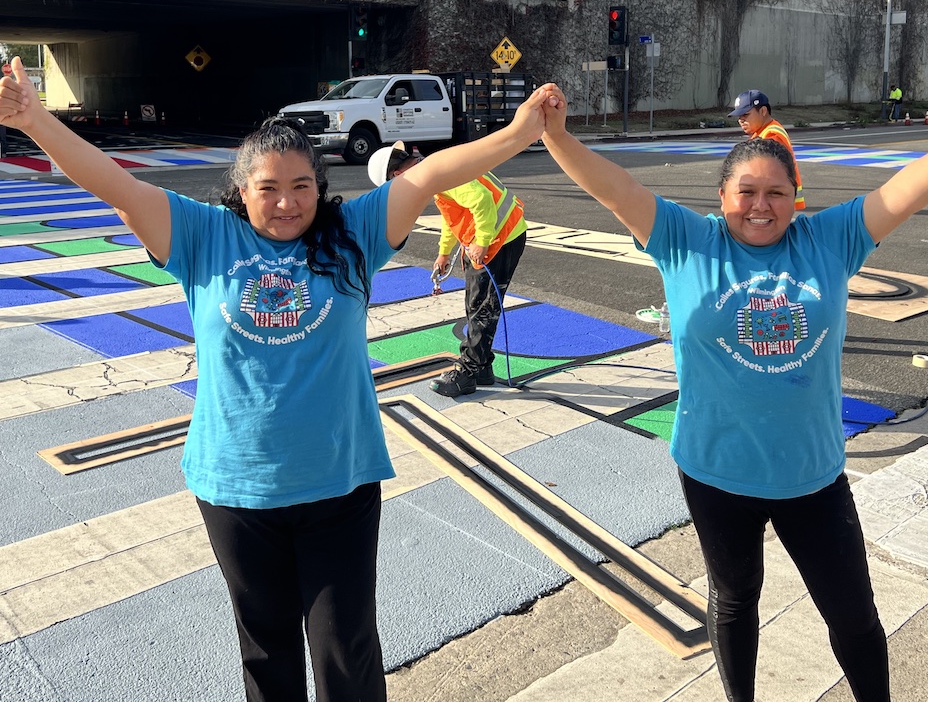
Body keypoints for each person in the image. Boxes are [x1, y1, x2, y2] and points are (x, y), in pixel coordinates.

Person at [0, 56, 555, 702]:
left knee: (346, 655)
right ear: (242, 190)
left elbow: (431, 172)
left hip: (339, 488)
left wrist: (519, 135)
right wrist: (34, 121)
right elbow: (115, 184)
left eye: (301, 185)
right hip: (237, 494)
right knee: (267, 659)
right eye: (268, 188)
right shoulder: (203, 236)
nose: (287, 202)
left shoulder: (353, 233)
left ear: (320, 187)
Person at [538, 78, 928, 702]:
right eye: (746, 193)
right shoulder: (688, 240)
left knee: (853, 616)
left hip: (811, 475)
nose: (762, 206)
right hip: (715, 469)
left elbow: (908, 188)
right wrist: (557, 137)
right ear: (721, 196)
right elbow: (614, 187)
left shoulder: (828, 240)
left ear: (796, 199)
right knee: (733, 603)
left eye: (776, 193)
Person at [367, 141, 527, 397]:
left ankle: (468, 372)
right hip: (498, 233)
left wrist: (482, 242)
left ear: (397, 176)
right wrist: (444, 251)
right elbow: (454, 215)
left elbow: (481, 200)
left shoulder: (440, 177)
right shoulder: (436, 170)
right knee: (479, 303)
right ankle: (482, 366)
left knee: (482, 307)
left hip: (500, 237)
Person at [728, 89, 805, 210]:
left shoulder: (771, 135)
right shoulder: (764, 132)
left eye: (746, 115)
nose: (741, 120)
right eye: (739, 116)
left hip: (776, 205)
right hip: (776, 202)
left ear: (763, 111)